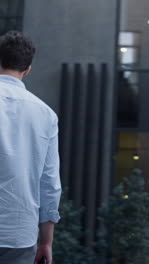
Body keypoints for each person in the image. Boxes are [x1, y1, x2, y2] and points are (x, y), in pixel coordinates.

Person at [0, 31, 61, 264]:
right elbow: (49, 183)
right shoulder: (46, 115)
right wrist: (46, 241)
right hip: (19, 235)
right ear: (27, 70)